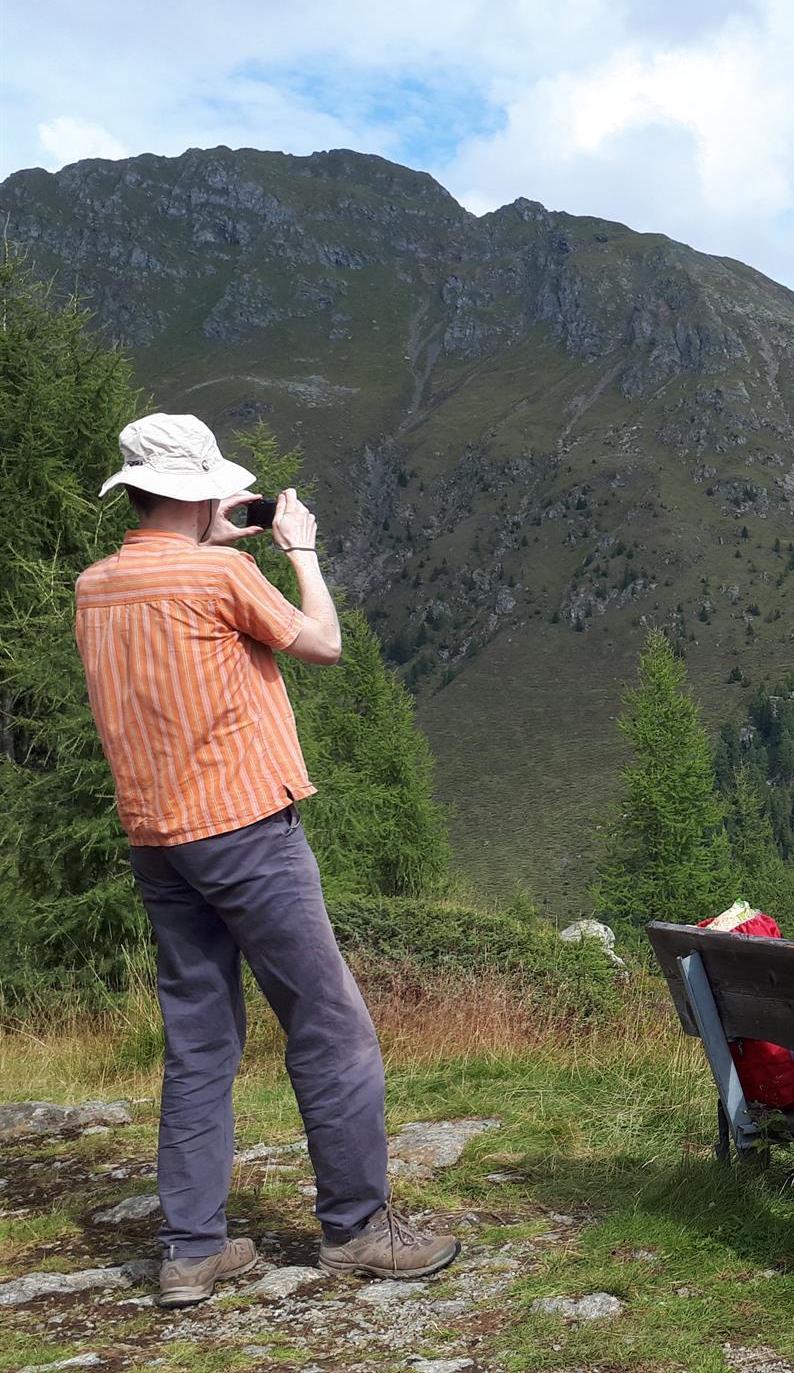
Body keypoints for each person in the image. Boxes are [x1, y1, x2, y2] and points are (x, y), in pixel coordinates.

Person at [74, 414, 458, 1307]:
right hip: (246, 827)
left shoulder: (98, 586)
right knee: (329, 1024)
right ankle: (358, 1230)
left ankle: (191, 1250)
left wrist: (214, 533)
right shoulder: (220, 572)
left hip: (158, 839)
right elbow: (322, 643)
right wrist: (301, 551)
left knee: (200, 1041)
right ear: (197, 492)